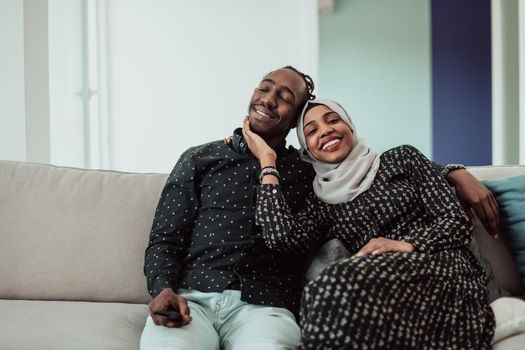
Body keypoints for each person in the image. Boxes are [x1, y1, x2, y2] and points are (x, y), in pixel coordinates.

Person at [141, 67, 498, 350]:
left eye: (333, 120)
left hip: (270, 305)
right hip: (196, 297)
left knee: (326, 295)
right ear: (306, 143)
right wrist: (268, 164)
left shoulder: (362, 165)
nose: (269, 99)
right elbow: (170, 238)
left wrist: (453, 171)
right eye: (265, 87)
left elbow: (443, 211)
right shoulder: (210, 160)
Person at [244, 99, 495, 349]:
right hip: (381, 286)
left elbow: (456, 221)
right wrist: (268, 162)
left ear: (350, 127)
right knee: (319, 290)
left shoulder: (401, 158)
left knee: (337, 282)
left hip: (442, 267)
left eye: (333, 120)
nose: (326, 130)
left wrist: (407, 244)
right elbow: (281, 237)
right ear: (307, 151)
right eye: (311, 131)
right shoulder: (322, 202)